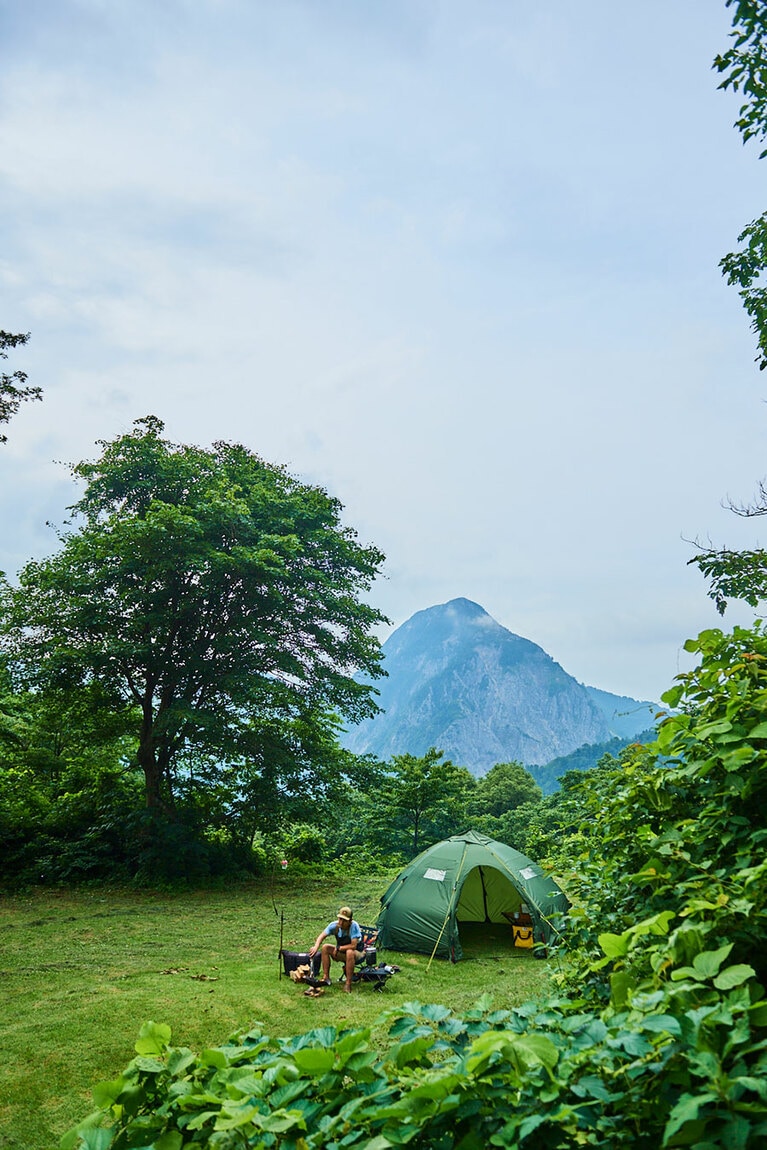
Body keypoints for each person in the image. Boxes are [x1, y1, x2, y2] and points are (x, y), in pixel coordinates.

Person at [309, 906, 364, 992]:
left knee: (349, 952)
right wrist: (316, 946)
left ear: (350, 921)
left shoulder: (354, 926)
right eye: (340, 919)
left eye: (344, 920)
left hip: (358, 954)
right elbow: (322, 936)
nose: (341, 923)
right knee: (325, 947)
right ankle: (326, 978)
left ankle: (348, 983)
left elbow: (353, 946)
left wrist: (339, 948)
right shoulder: (334, 925)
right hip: (341, 952)